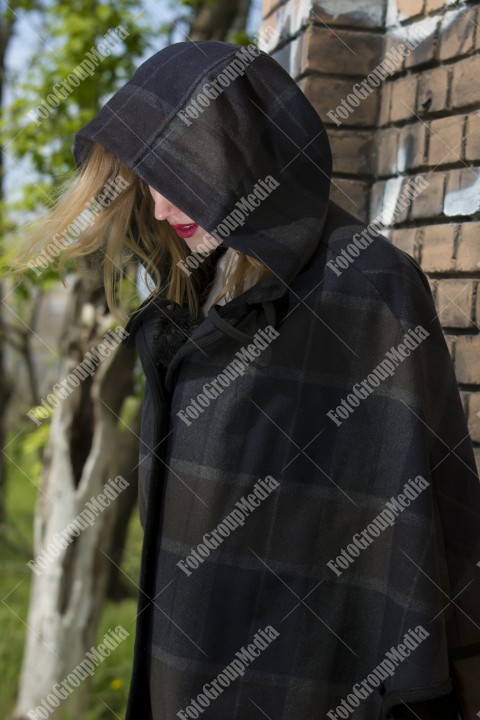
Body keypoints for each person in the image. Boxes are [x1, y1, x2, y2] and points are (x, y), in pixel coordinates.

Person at [11, 40, 480, 720]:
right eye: (148, 176)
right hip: (185, 666)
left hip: (314, 682)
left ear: (246, 151)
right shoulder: (191, 295)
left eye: (181, 169)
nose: (163, 205)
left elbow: (436, 506)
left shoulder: (370, 286)